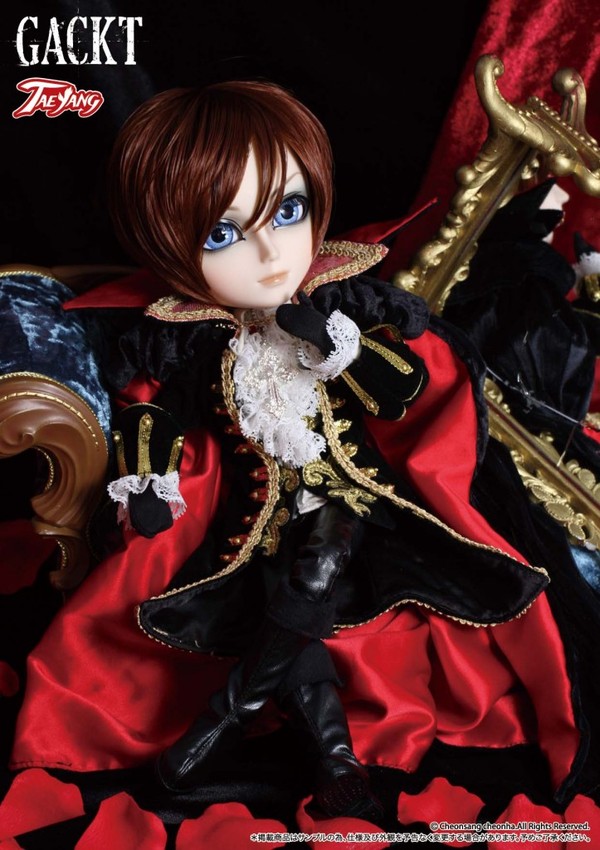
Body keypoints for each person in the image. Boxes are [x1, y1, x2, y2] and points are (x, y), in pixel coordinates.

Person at [6, 82, 591, 837]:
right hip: (252, 520)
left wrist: (339, 348)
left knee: (319, 563)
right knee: (282, 593)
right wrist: (147, 482)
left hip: (359, 502)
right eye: (224, 233)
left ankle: (223, 719)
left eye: (288, 211)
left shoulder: (344, 305)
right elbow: (158, 414)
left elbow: (404, 389)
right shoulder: (186, 338)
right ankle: (337, 764)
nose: (269, 254)